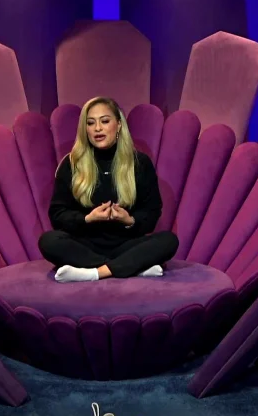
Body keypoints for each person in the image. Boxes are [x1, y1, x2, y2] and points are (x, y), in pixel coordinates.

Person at [38, 96, 179, 283]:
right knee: (49, 241)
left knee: (168, 241)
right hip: (85, 245)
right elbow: (57, 215)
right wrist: (88, 219)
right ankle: (132, 267)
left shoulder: (140, 163)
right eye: (90, 123)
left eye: (104, 121)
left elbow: (151, 213)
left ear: (119, 125)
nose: (97, 128)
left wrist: (129, 220)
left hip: (127, 244)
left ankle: (94, 272)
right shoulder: (72, 164)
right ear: (85, 129)